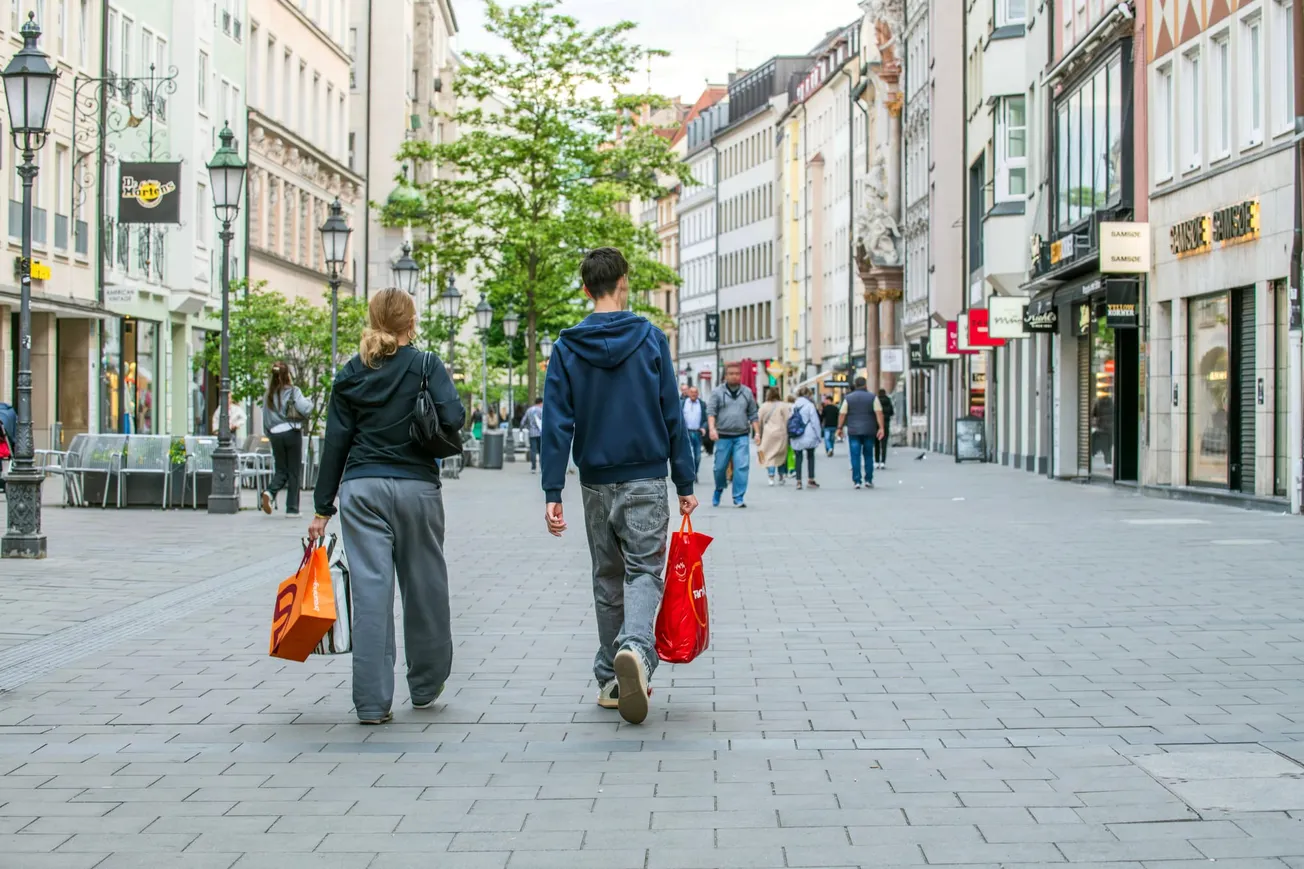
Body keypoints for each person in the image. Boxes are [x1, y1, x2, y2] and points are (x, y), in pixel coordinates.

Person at [541, 247, 696, 726]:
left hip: (595, 482)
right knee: (645, 571)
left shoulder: (567, 348)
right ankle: (635, 650)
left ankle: (612, 678)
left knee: (607, 576)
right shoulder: (650, 339)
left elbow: (555, 423)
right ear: (623, 283)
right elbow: (672, 411)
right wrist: (685, 479)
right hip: (647, 477)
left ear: (586, 288)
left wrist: (552, 492)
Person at [308, 288, 465, 725]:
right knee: (425, 585)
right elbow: (453, 417)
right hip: (416, 488)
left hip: (361, 490)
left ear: (374, 318)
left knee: (371, 594)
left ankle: (373, 704)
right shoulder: (426, 365)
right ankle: (426, 683)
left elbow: (335, 443)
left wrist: (323, 510)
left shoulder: (350, 373)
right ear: (410, 321)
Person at [260, 362, 313, 516]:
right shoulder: (293, 391)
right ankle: (292, 508)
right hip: (292, 432)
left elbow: (265, 419)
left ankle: (270, 492)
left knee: (281, 469)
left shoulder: (268, 395)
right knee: (294, 471)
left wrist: (270, 435)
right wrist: (309, 401)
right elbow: (305, 408)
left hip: (275, 434)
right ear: (287, 374)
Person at [707, 362, 759, 508]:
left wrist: (757, 433)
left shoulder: (747, 392)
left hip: (741, 435)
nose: (735, 376)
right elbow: (711, 412)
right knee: (719, 467)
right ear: (726, 376)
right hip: (723, 436)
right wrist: (712, 429)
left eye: (737, 374)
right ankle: (719, 488)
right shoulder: (717, 392)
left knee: (741, 466)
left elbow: (753, 414)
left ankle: (738, 497)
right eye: (731, 374)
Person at [837, 377, 886, 489]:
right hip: (869, 430)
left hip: (853, 431)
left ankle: (857, 480)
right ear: (865, 385)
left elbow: (842, 414)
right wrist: (881, 428)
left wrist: (839, 428)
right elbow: (879, 413)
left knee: (855, 455)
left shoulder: (848, 398)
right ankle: (868, 479)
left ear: (855, 384)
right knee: (868, 455)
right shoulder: (873, 397)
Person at [758, 387, 791, 486]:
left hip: (768, 434)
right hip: (781, 432)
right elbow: (788, 419)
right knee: (780, 455)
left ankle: (771, 476)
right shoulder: (783, 406)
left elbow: (758, 421)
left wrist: (758, 434)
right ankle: (781, 476)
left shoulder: (764, 406)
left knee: (769, 455)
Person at [789, 387, 822, 490]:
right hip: (809, 434)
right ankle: (810, 479)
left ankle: (798, 481)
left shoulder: (793, 405)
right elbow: (815, 422)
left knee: (798, 457)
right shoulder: (810, 405)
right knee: (810, 456)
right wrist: (819, 435)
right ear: (809, 394)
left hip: (796, 434)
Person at [681, 386, 706, 482]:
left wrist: (704, 427)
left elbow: (705, 419)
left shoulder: (702, 404)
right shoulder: (683, 403)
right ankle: (689, 474)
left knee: (698, 456)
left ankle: (695, 472)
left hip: (697, 433)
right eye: (692, 392)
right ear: (688, 393)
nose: (693, 394)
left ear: (698, 394)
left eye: (695, 392)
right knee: (688, 455)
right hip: (686, 433)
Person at [522, 397, 544, 473]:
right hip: (540, 433)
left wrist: (524, 428)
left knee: (533, 451)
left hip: (532, 433)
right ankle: (542, 467)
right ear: (540, 403)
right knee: (541, 451)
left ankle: (533, 468)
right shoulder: (541, 410)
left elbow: (523, 421)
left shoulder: (529, 410)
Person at [875, 387, 895, 470]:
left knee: (876, 444)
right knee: (884, 444)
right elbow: (891, 412)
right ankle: (883, 462)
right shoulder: (888, 401)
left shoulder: (876, 401)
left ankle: (876, 462)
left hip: (876, 424)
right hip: (886, 424)